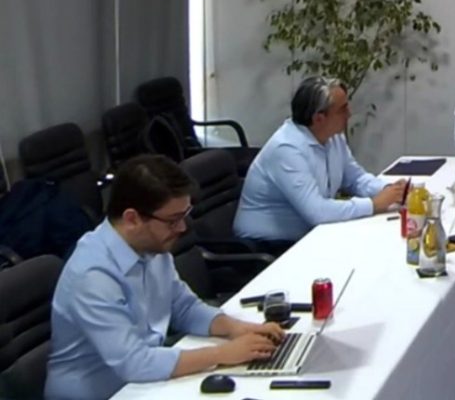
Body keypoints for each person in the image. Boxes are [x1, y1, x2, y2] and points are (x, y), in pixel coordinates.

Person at [46, 155, 285, 400]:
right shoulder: (93, 276)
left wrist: (239, 329)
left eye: (184, 215)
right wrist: (224, 353)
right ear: (132, 219)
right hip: (104, 392)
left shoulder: (150, 247)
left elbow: (184, 307)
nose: (182, 228)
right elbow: (134, 362)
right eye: (172, 221)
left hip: (143, 381)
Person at [234, 76, 406, 251]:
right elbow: (317, 212)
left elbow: (355, 179)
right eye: (343, 109)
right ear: (319, 118)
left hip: (307, 235)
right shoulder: (287, 148)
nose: (349, 114)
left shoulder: (333, 137)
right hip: (267, 245)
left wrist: (392, 191)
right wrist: (373, 205)